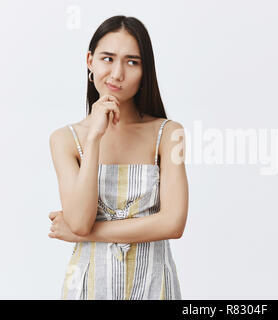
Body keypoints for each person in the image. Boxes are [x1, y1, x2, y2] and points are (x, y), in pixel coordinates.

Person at [48, 15, 188, 300]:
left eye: (132, 62)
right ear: (90, 61)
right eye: (108, 59)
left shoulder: (169, 133)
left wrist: (85, 235)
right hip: (88, 288)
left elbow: (173, 223)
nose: (117, 74)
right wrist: (94, 138)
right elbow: (78, 221)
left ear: (145, 70)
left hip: (154, 287)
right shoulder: (66, 139)